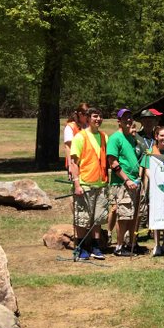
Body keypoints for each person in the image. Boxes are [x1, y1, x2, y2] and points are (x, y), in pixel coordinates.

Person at [106, 109, 146, 257]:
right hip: (122, 183)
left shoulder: (132, 138)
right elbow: (113, 162)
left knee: (134, 215)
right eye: (125, 118)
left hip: (135, 182)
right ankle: (119, 246)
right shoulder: (115, 138)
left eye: (130, 118)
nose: (128, 120)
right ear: (119, 121)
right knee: (123, 216)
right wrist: (126, 179)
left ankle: (131, 243)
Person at [69, 108, 108, 260]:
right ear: (88, 118)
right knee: (82, 219)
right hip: (85, 184)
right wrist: (77, 184)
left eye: (100, 116)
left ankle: (96, 246)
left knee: (98, 218)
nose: (98, 119)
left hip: (101, 184)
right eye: (95, 116)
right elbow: (74, 163)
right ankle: (81, 247)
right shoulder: (80, 137)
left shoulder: (104, 136)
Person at [141, 125, 164, 256]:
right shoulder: (150, 151)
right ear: (156, 137)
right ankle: (157, 244)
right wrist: (157, 181)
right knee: (156, 214)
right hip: (156, 188)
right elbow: (147, 170)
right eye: (161, 135)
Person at [64, 103, 89, 173]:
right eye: (86, 114)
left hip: (88, 161)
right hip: (76, 162)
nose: (88, 117)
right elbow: (68, 147)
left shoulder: (88, 126)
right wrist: (70, 165)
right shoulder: (70, 127)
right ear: (80, 114)